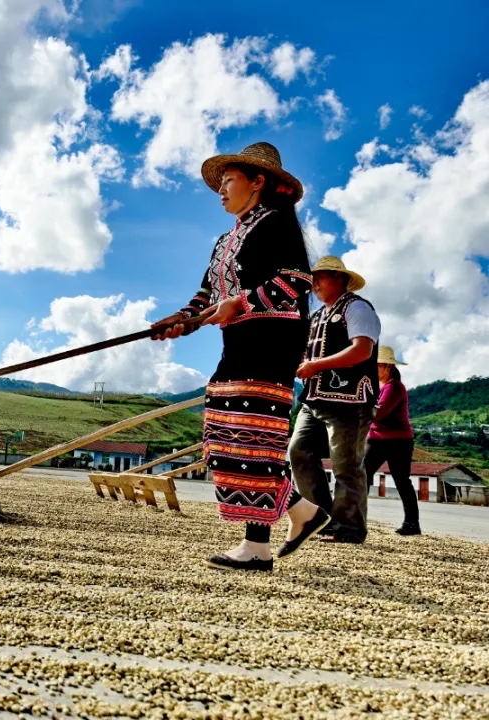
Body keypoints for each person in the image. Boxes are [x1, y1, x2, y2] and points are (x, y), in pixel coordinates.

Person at [151, 141, 330, 572]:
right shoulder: (224, 240)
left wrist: (242, 303)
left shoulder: (277, 225)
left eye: (229, 180)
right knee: (224, 431)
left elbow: (295, 282)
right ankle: (303, 512)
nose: (221, 190)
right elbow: (207, 294)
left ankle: (256, 547)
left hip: (273, 342)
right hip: (239, 344)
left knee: (253, 435)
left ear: (258, 182)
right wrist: (181, 319)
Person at [288, 256, 380, 544]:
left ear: (340, 278)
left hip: (349, 400)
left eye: (321, 277)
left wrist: (316, 366)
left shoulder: (357, 308)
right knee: (298, 451)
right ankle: (320, 518)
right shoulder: (318, 317)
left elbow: (361, 350)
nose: (314, 283)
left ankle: (349, 528)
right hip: (314, 398)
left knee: (346, 465)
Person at [363, 346, 420, 535]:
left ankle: (412, 523)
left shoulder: (395, 386)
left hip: (398, 441)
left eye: (376, 366)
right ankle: (356, 517)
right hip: (377, 439)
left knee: (401, 480)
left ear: (387, 367)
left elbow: (379, 413)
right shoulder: (382, 387)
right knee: (362, 475)